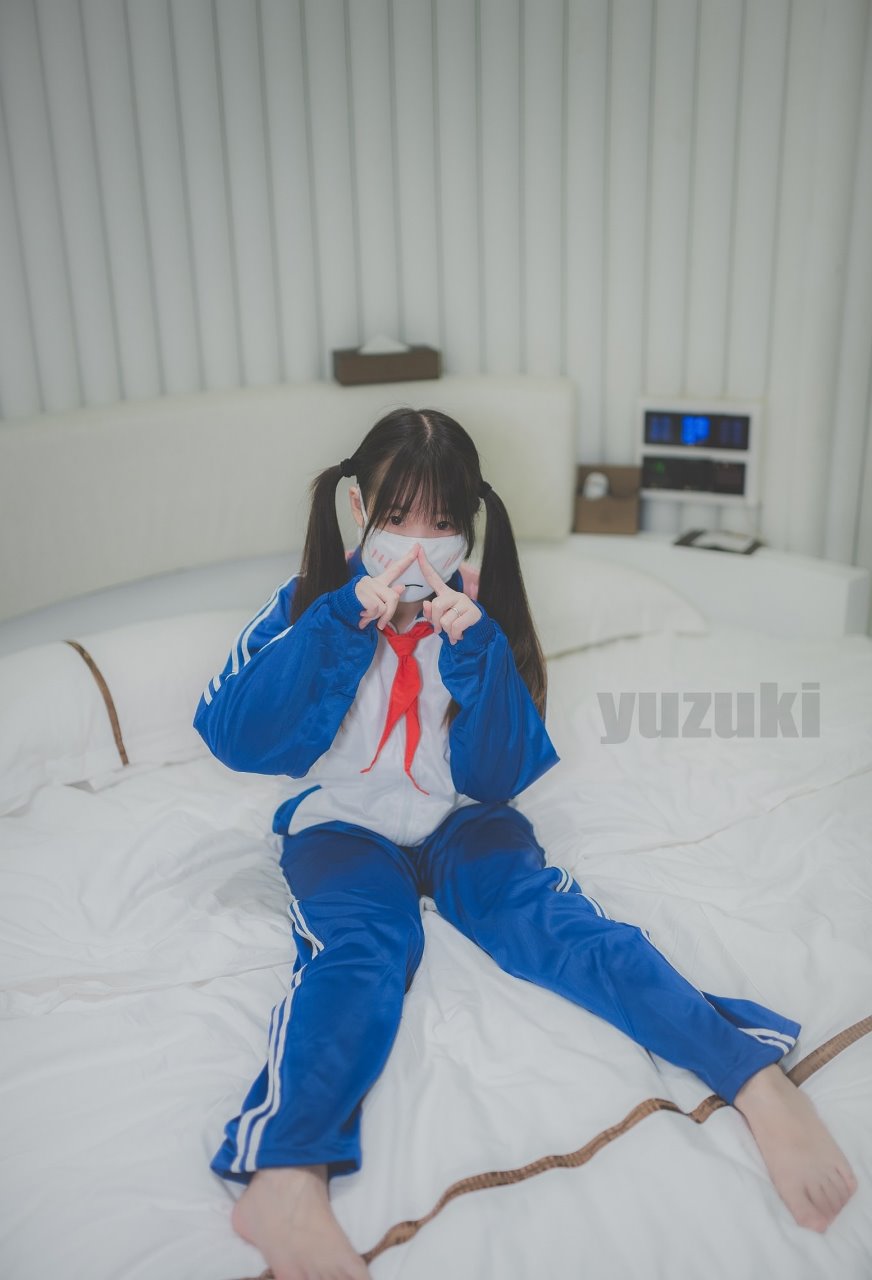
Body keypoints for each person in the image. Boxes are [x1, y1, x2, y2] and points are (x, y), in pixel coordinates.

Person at [193, 408, 857, 1280]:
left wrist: (479, 656)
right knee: (360, 954)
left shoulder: (481, 608)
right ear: (358, 508)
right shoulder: (305, 601)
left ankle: (752, 1077)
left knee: (556, 927)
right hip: (344, 826)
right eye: (397, 516)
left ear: (469, 525)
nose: (418, 544)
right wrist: (336, 624)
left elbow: (500, 774)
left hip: (463, 818)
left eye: (441, 521)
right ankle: (286, 1173)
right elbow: (237, 737)